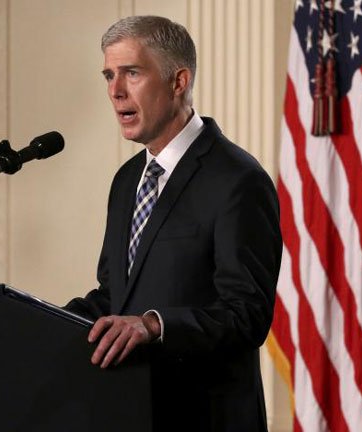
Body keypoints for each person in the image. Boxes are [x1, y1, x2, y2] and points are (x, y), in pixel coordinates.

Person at [65, 15, 282, 431]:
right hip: (132, 412)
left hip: (206, 417)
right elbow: (115, 297)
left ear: (178, 81)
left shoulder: (238, 180)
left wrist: (154, 325)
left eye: (131, 72)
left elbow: (248, 314)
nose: (115, 91)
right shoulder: (127, 181)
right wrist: (34, 319)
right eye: (109, 75)